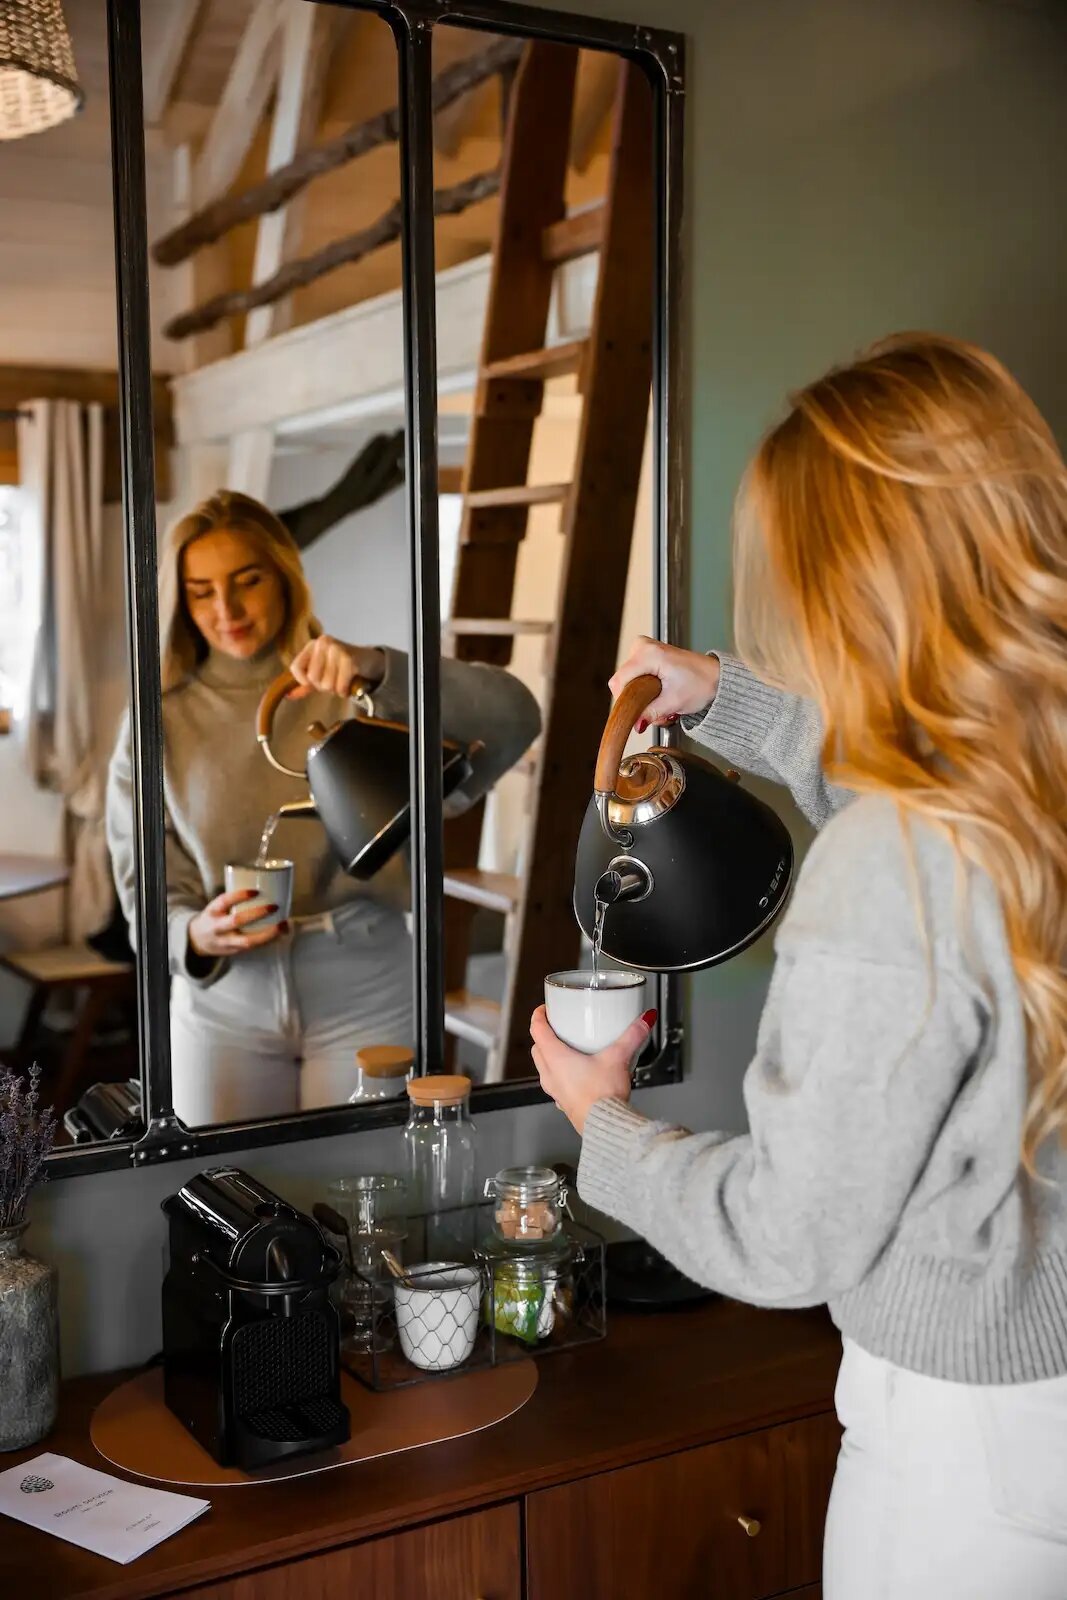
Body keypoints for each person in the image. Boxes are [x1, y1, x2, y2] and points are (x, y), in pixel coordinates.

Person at [530, 334, 1067, 1598]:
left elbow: (788, 1238)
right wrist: (723, 697)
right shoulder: (1030, 769)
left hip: (960, 1457)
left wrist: (602, 1127)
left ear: (837, 579)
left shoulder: (889, 860)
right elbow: (935, 798)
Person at [108, 490, 539, 1126]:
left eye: (246, 581)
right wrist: (192, 935)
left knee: (367, 1199)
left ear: (284, 575)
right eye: (201, 590)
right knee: (227, 1200)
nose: (225, 609)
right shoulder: (159, 718)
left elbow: (514, 716)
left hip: (366, 980)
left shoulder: (358, 692)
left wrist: (381, 668)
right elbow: (143, 881)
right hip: (226, 995)